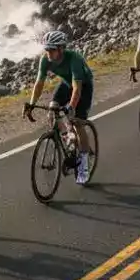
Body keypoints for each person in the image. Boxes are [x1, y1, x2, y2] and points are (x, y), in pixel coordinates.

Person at [24, 30, 95, 183]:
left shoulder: (74, 59)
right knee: (52, 111)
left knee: (76, 122)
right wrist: (32, 104)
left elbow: (77, 89)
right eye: (46, 49)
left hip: (83, 86)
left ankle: (83, 164)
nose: (48, 52)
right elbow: (39, 83)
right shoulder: (45, 60)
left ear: (61, 48)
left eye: (51, 49)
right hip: (66, 84)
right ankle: (67, 136)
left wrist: (71, 107)